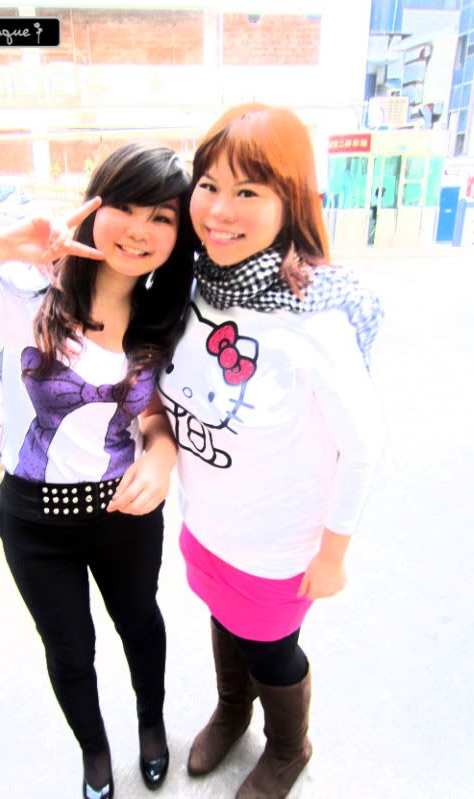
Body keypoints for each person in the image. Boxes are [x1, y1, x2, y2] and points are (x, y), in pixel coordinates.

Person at [0, 142, 195, 799]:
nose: (139, 229)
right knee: (69, 650)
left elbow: (150, 413)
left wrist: (161, 453)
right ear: (95, 206)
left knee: (140, 625)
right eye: (125, 206)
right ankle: (95, 754)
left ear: (179, 236)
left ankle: (151, 727)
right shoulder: (29, 292)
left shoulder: (164, 315)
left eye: (162, 217)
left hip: (125, 513)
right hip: (35, 521)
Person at [157, 104, 386, 799]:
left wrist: (333, 554)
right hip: (207, 526)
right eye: (208, 185)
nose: (219, 210)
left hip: (277, 545)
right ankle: (233, 709)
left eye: (248, 191)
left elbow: (363, 448)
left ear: (290, 201)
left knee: (270, 647)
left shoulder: (314, 313)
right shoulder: (193, 286)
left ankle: (288, 746)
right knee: (223, 621)